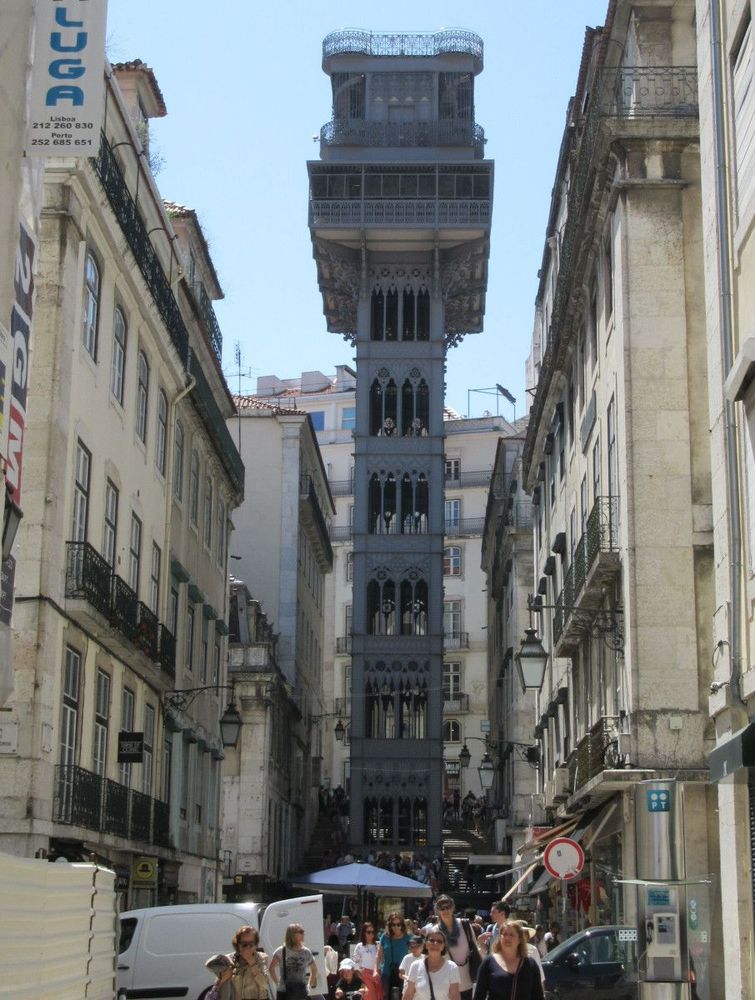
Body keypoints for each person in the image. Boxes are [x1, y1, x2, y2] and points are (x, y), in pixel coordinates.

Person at [425, 896, 482, 1000]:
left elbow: (475, 949)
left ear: (453, 908)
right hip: (444, 984)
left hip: (466, 981)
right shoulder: (435, 931)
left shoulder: (465, 925)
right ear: (437, 910)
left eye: (448, 907)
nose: (446, 910)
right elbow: (431, 956)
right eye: (442, 908)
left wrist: (482, 946)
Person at [472, 922, 544, 1000]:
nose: (507, 938)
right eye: (504, 934)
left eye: (511, 935)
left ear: (520, 939)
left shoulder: (530, 964)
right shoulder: (488, 962)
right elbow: (479, 995)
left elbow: (538, 995)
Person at [205, 925, 271, 1000]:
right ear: (237, 945)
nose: (247, 948)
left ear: (256, 945)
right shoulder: (228, 960)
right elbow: (216, 985)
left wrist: (252, 963)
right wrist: (224, 978)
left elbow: (265, 984)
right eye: (244, 944)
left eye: (251, 944)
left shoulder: (262, 958)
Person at [403, 929, 460, 1000]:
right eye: (432, 940)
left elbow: (455, 996)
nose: (435, 943)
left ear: (443, 946)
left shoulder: (452, 967)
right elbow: (408, 994)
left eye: (439, 941)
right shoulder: (415, 966)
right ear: (426, 944)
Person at [269, 923, 318, 1000]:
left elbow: (314, 969)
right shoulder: (281, 951)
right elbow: (271, 968)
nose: (303, 934)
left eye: (303, 931)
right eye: (300, 932)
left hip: (300, 992)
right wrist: (278, 984)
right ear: (292, 935)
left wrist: (308, 986)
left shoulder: (306, 952)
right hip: (284, 992)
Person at [377, 912, 411, 999]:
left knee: (402, 997)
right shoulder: (385, 937)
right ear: (389, 925)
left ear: (402, 925)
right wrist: (375, 970)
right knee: (386, 997)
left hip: (403, 974)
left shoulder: (409, 938)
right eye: (393, 924)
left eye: (398, 924)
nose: (396, 927)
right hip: (387, 973)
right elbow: (379, 955)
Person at [353, 922, 381, 1000]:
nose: (371, 934)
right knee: (370, 997)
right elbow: (355, 962)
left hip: (377, 974)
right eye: (368, 932)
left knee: (379, 996)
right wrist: (360, 977)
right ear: (364, 933)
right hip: (365, 975)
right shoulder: (359, 946)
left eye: (372, 932)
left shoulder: (378, 945)